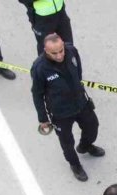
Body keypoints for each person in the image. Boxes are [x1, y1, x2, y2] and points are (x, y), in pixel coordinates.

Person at [31, 33, 103, 181]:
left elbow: (78, 71)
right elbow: (37, 94)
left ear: (63, 45)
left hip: (81, 103)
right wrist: (43, 118)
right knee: (66, 142)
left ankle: (85, 145)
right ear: (45, 50)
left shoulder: (72, 51)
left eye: (61, 50)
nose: (59, 56)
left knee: (92, 127)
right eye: (54, 53)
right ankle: (75, 165)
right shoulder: (39, 68)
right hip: (60, 113)